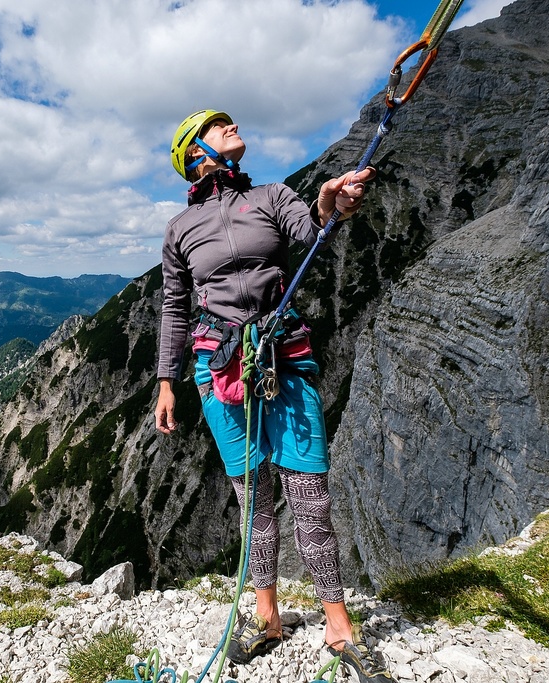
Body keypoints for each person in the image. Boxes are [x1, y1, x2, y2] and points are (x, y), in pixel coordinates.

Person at [154, 109, 390, 682]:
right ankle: (267, 617)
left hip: (281, 358)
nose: (232, 126)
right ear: (195, 152)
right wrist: (167, 380)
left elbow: (313, 232)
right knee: (253, 498)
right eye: (218, 126)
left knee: (309, 494)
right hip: (219, 369)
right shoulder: (180, 229)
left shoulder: (272, 195)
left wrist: (333, 201)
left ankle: (339, 626)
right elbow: (175, 308)